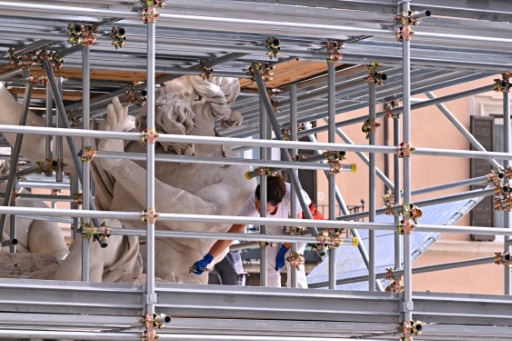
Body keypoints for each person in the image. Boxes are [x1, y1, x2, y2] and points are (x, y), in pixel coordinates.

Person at [192, 173, 311, 288]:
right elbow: (231, 234)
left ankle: (300, 297)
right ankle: (273, 300)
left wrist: (283, 250)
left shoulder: (291, 199)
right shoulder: (252, 203)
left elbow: (295, 231)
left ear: (277, 204)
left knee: (293, 258)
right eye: (258, 206)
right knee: (269, 263)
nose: (259, 211)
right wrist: (208, 258)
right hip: (273, 224)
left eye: (265, 208)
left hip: (297, 225)